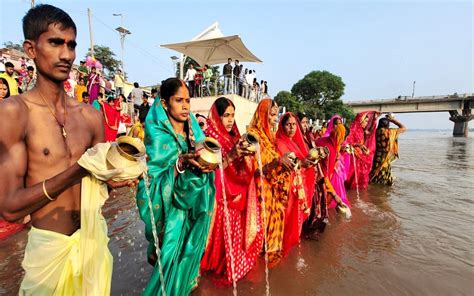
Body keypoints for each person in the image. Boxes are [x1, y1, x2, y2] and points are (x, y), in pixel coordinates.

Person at [0, 5, 138, 295]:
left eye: (71, 45)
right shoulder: (15, 113)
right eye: (55, 42)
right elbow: (10, 208)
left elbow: (99, 189)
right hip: (49, 252)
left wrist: (116, 180)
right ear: (30, 49)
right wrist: (78, 170)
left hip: (93, 244)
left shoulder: (90, 116)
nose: (66, 55)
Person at [135, 78, 215, 295]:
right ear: (164, 103)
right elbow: (151, 176)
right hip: (170, 207)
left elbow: (208, 161)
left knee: (188, 256)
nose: (185, 106)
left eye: (188, 100)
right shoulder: (157, 133)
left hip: (193, 201)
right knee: (169, 257)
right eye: (178, 100)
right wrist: (180, 163)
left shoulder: (194, 131)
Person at [201, 97, 263, 285]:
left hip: (236, 199)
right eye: (226, 115)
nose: (230, 119)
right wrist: (231, 155)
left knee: (231, 250)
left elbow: (244, 173)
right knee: (214, 249)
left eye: (232, 115)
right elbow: (207, 173)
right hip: (218, 201)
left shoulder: (235, 138)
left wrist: (248, 157)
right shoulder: (208, 140)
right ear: (216, 116)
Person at [247, 98, 296, 267]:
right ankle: (257, 264)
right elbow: (253, 169)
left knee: (272, 225)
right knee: (261, 229)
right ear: (263, 115)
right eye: (273, 115)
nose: (276, 119)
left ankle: (265, 262)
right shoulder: (252, 136)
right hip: (260, 190)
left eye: (276, 115)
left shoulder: (269, 137)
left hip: (272, 188)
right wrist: (277, 163)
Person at [275, 112, 316, 255]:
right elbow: (286, 165)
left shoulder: (294, 143)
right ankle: (282, 247)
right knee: (286, 219)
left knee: (294, 219)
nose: (292, 128)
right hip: (286, 189)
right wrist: (302, 163)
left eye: (294, 125)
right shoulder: (279, 142)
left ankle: (289, 247)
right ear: (282, 126)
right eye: (288, 124)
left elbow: (301, 162)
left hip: (296, 188)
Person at [315, 121, 349, 209]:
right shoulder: (330, 150)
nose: (344, 141)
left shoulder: (324, 139)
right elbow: (324, 175)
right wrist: (334, 195)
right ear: (340, 137)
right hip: (318, 180)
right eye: (344, 138)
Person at [345, 111, 380, 190]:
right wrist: (358, 145)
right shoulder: (353, 130)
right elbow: (347, 143)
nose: (367, 123)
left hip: (360, 155)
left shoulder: (362, 130)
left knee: (361, 175)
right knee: (353, 176)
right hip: (353, 156)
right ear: (361, 120)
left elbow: (371, 132)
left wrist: (374, 120)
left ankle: (357, 193)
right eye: (366, 121)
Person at [370, 115, 406, 186]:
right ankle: (381, 187)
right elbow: (403, 128)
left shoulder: (375, 132)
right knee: (384, 173)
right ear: (387, 124)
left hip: (376, 156)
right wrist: (393, 120)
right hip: (385, 157)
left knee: (375, 171)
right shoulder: (390, 132)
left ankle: (373, 185)